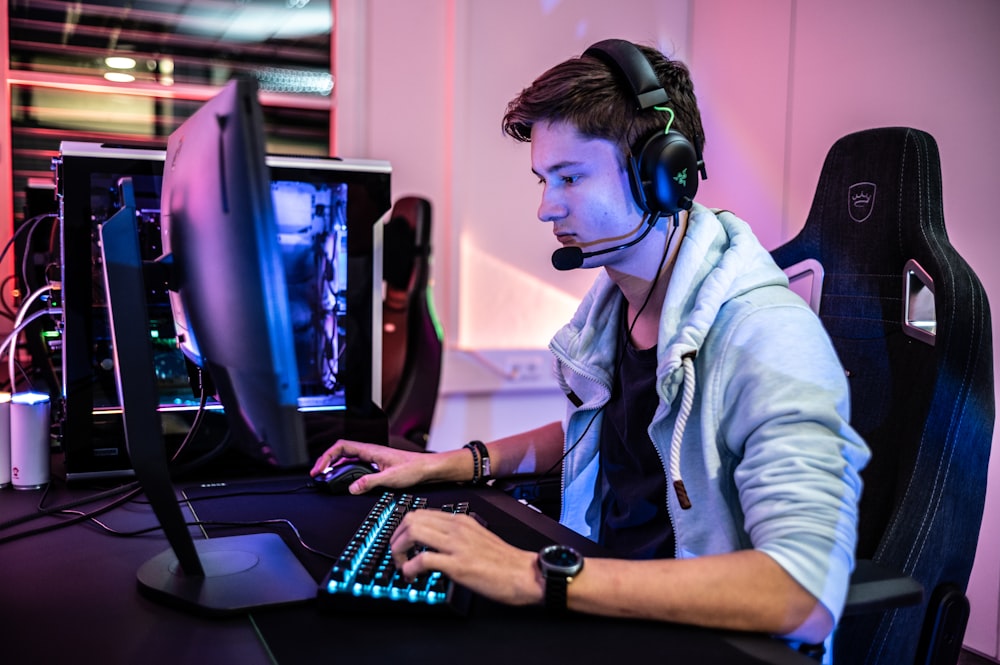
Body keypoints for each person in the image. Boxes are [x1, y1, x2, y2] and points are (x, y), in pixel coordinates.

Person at [311, 38, 869, 647]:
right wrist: (444, 464)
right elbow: (604, 427)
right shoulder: (617, 307)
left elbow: (805, 594)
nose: (547, 208)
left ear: (663, 177)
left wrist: (533, 575)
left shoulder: (765, 335)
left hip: (698, 640)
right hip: (608, 605)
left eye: (570, 177)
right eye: (543, 180)